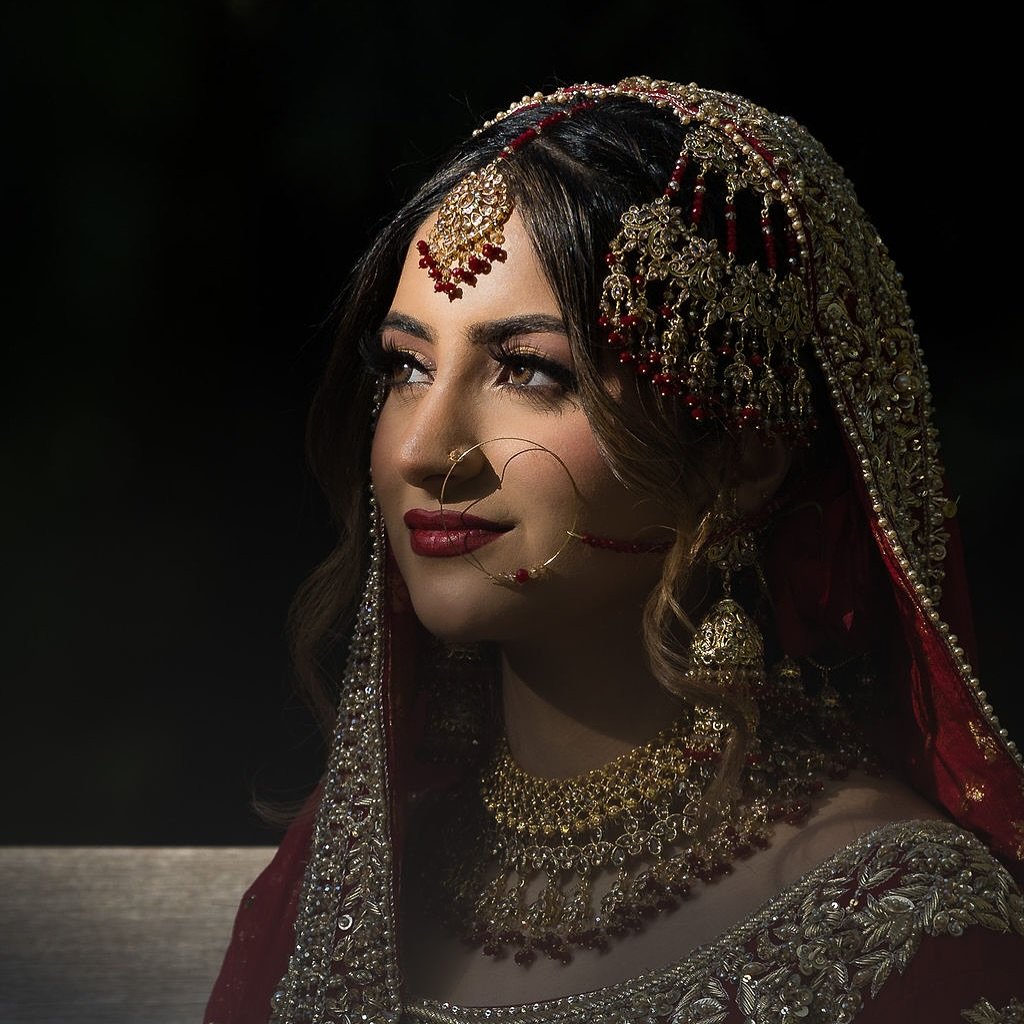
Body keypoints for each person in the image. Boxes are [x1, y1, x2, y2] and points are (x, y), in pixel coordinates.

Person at [205, 78, 1024, 1024]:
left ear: (739, 457)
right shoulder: (364, 872)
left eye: (529, 372)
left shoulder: (899, 921)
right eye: (406, 366)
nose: (423, 450)